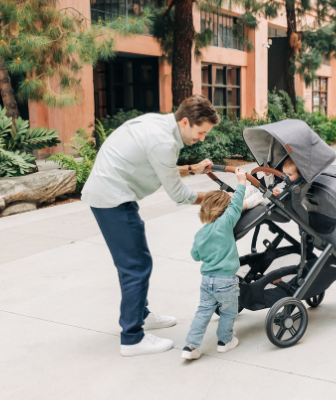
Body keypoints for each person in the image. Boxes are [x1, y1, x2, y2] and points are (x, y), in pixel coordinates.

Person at [81, 95, 220, 357]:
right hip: (112, 199)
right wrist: (217, 198)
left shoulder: (159, 124)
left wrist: (192, 169)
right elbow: (179, 195)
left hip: (112, 195)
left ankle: (141, 314)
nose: (202, 138)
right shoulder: (164, 141)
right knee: (136, 266)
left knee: (133, 262)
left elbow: (159, 166)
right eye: (201, 132)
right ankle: (132, 338)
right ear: (186, 122)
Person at [181, 168, 248, 360]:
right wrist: (241, 181)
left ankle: (190, 347)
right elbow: (236, 204)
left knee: (202, 313)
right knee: (228, 312)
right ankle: (225, 341)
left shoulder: (201, 233)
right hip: (226, 281)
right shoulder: (226, 222)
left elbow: (195, 255)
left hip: (206, 281)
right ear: (224, 209)